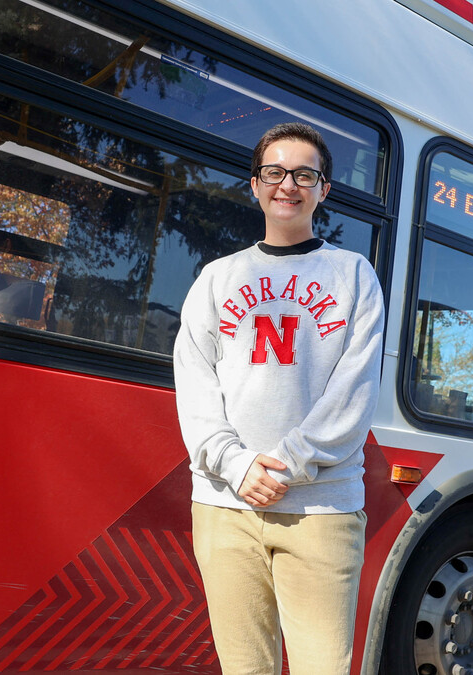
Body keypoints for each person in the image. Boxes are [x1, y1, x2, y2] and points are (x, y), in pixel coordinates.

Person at [173, 122, 385, 675]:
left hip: (321, 510)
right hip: (224, 505)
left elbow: (354, 392)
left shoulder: (353, 275)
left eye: (304, 174)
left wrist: (285, 464)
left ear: (324, 189)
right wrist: (236, 465)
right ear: (255, 185)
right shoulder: (218, 278)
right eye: (274, 172)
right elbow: (195, 382)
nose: (287, 185)